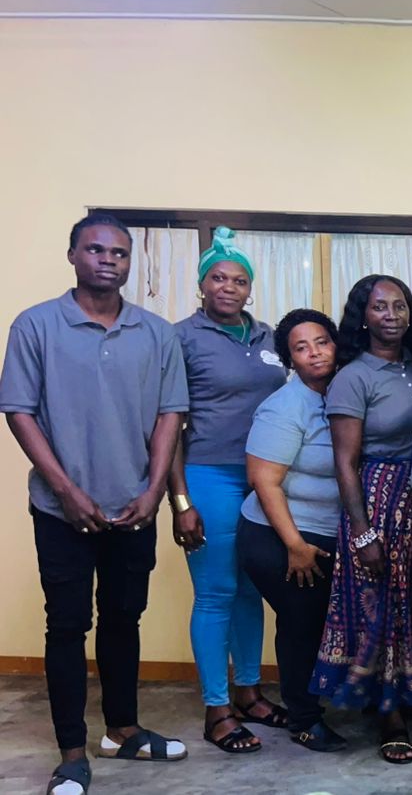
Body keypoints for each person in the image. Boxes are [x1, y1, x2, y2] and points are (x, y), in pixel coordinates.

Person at [1, 214, 190, 795]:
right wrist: (66, 490)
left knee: (123, 620)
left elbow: (171, 414)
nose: (108, 259)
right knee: (66, 626)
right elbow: (19, 411)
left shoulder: (156, 333)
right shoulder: (36, 325)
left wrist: (155, 491)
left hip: (134, 507)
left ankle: (123, 730)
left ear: (130, 262)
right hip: (61, 510)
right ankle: (71, 753)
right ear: (73, 256)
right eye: (96, 249)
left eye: (120, 253)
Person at [310, 274, 412, 764]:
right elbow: (345, 462)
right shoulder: (353, 376)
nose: (392, 315)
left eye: (400, 306)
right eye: (380, 306)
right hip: (379, 502)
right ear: (363, 316)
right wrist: (362, 533)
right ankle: (391, 716)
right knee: (386, 610)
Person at [168, 226, 289, 754]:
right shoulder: (181, 338)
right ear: (202, 285)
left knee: (250, 589)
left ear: (250, 288)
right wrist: (180, 501)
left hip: (263, 479)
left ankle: (249, 693)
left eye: (239, 280)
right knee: (216, 591)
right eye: (218, 278)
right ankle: (216, 709)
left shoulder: (269, 338)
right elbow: (166, 423)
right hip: (208, 475)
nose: (228, 287)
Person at [236, 309, 348, 752]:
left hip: (325, 533)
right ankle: (304, 719)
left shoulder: (343, 393)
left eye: (321, 342)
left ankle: (319, 702)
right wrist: (295, 545)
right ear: (289, 359)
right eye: (301, 348)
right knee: (301, 622)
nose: (315, 353)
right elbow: (263, 481)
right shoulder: (285, 406)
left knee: (320, 622)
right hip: (278, 536)